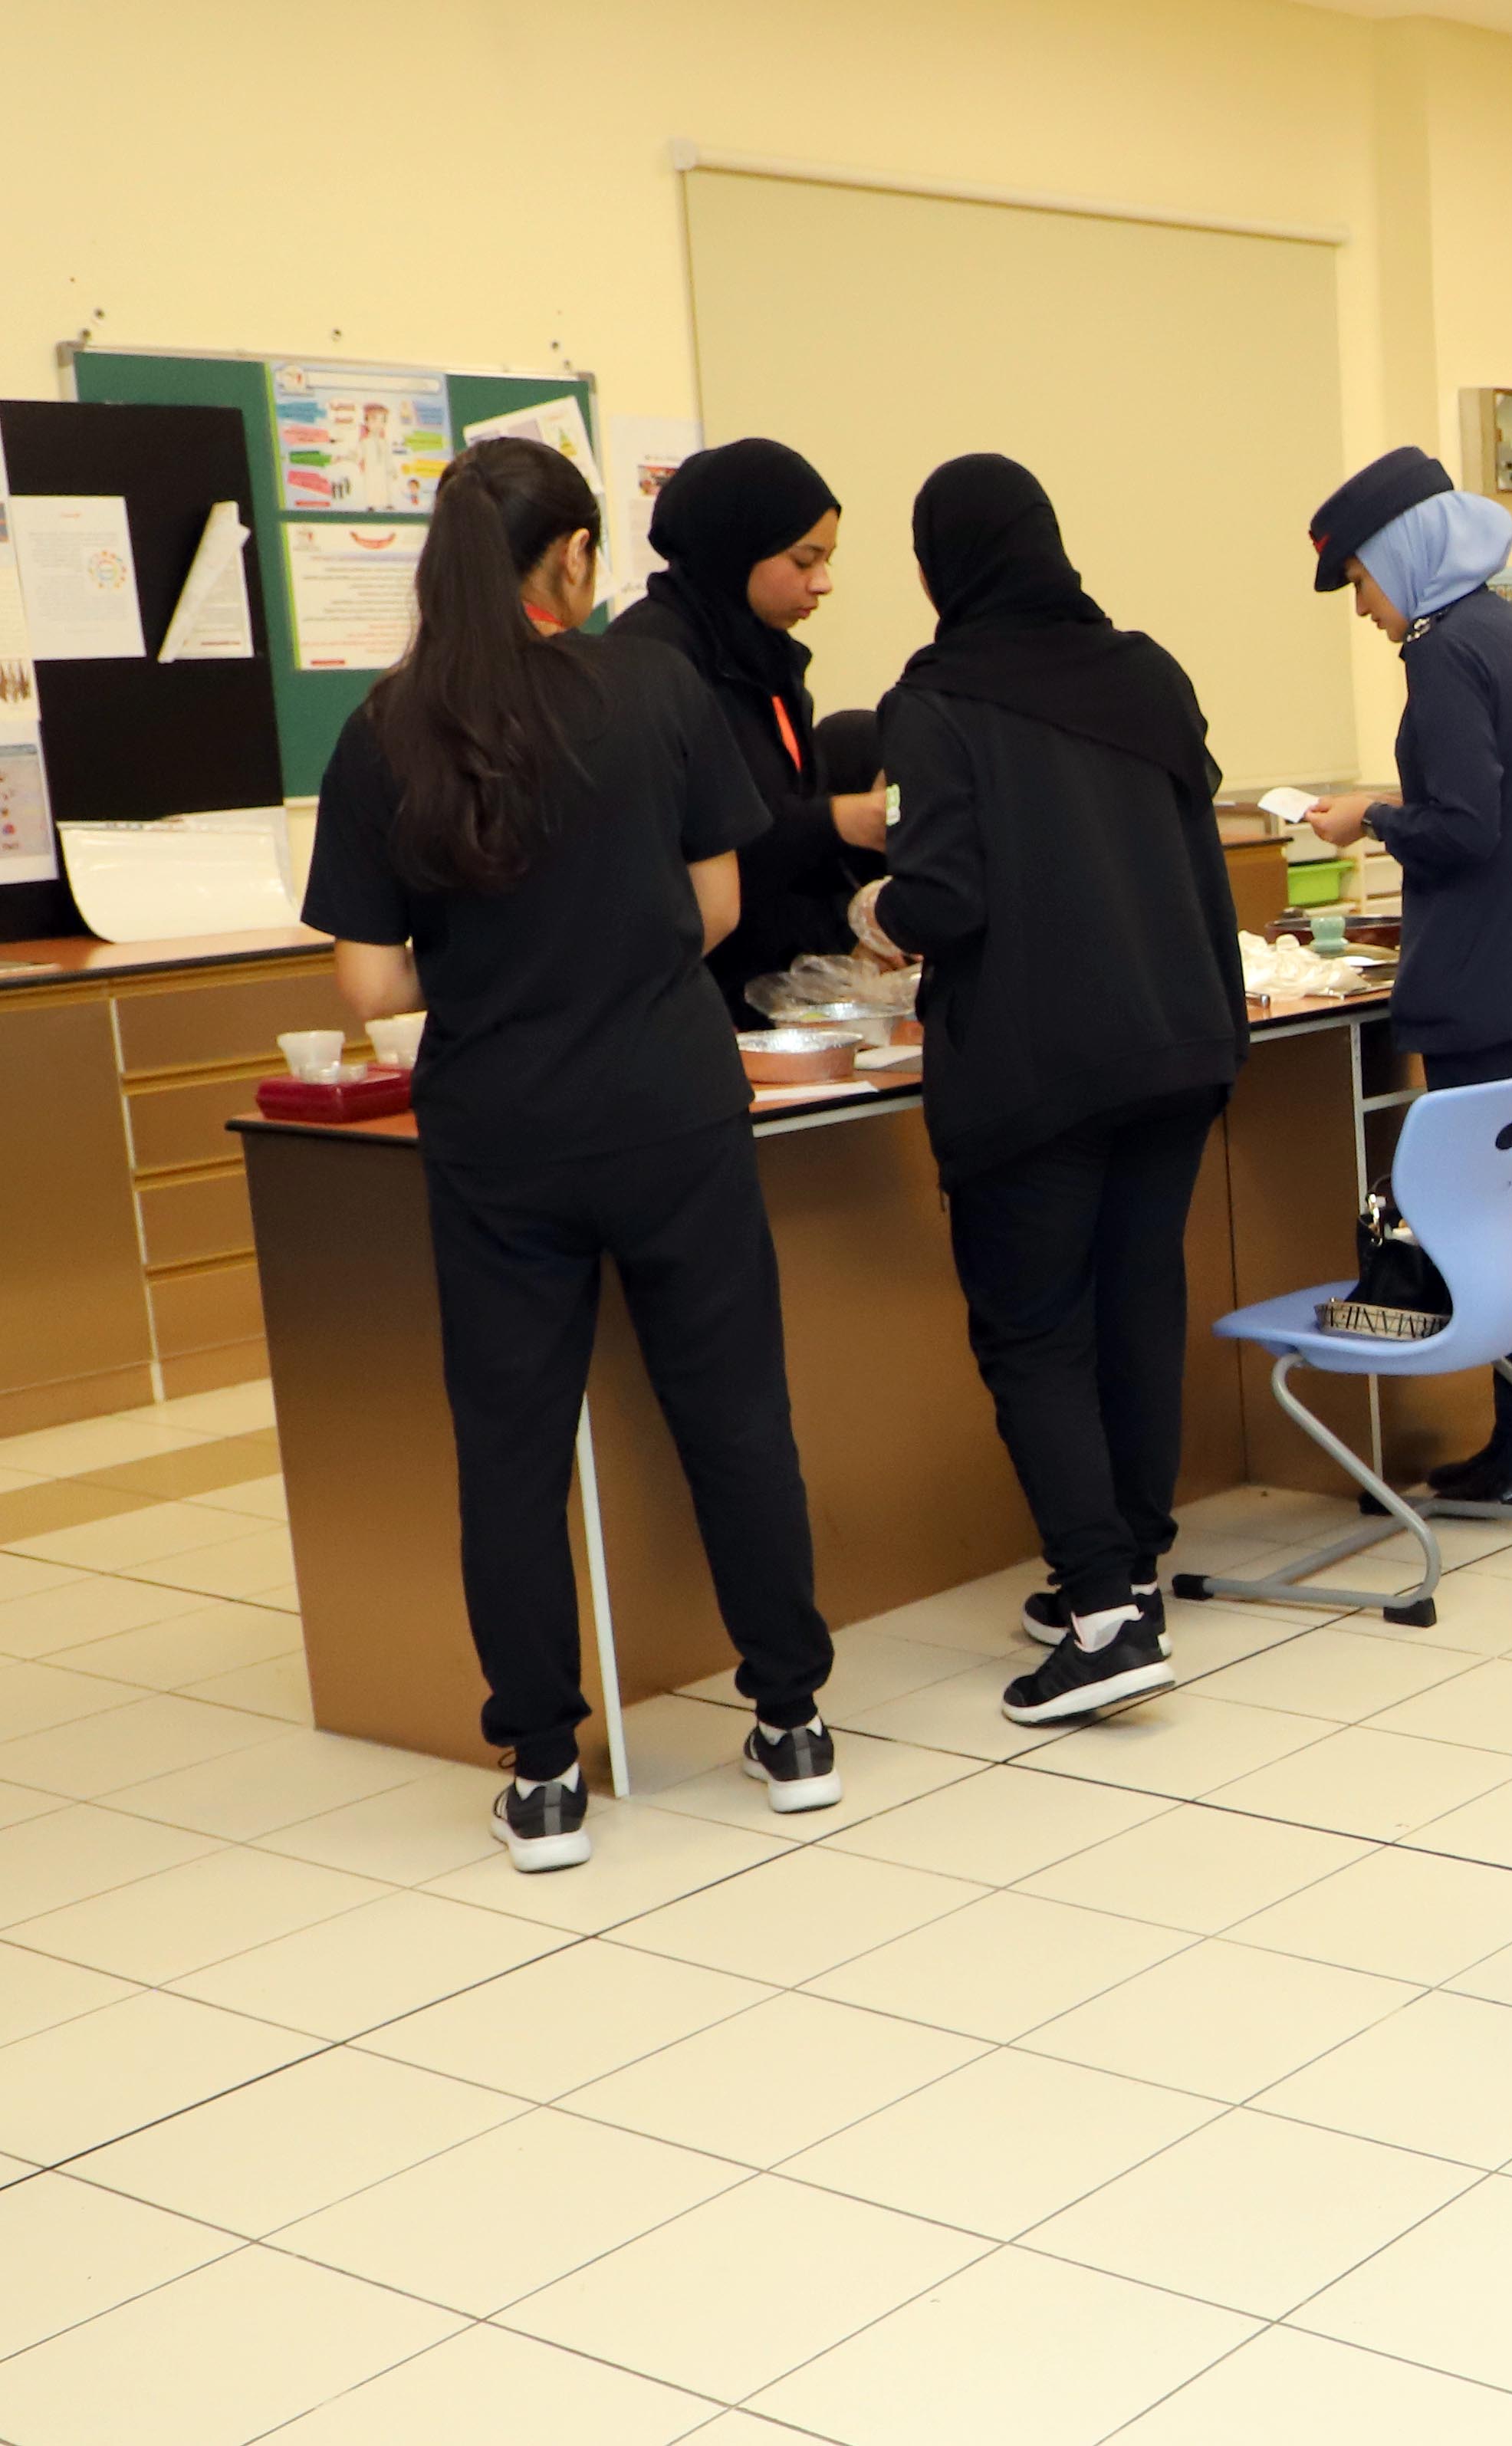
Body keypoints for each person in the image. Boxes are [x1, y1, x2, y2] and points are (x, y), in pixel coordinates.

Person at [302, 437, 838, 1870]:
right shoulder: (657, 687)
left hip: (502, 1135)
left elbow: (368, 984)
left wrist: (486, 970)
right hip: (672, 1107)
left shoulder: (387, 728)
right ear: (576, 555)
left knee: (512, 1447)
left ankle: (543, 1772)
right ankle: (791, 1723)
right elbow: (716, 909)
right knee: (735, 1412)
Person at [861, 455, 1245, 1727]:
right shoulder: (1148, 673)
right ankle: (1130, 1568)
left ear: (942, 568)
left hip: (1036, 1070)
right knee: (1137, 1307)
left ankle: (1101, 1617)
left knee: (1033, 1332)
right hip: (1177, 1046)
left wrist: (876, 912)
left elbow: (943, 896)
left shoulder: (936, 702)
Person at [1300, 447, 1512, 1508]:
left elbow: (1467, 828)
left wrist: (1372, 817)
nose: (1363, 609)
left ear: (1402, 556)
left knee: (1496, 1221)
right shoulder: (1507, 632)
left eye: (1361, 582)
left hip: (1487, 984)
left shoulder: (1440, 654)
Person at [609, 439, 887, 1024]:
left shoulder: (768, 654)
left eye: (827, 560)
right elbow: (684, 838)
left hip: (768, 991)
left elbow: (784, 812)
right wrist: (839, 821)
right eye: (804, 561)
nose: (823, 583)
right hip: (687, 1002)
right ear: (737, 550)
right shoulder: (652, 659)